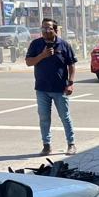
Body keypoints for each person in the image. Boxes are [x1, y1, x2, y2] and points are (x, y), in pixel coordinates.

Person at [25, 18, 77, 156]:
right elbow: (29, 62)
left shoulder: (64, 45)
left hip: (60, 88)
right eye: (43, 28)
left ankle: (71, 144)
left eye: (48, 28)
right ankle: (46, 145)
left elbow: (71, 65)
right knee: (44, 118)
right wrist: (42, 55)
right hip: (42, 89)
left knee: (65, 117)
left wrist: (70, 83)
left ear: (55, 30)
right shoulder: (36, 44)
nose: (45, 31)